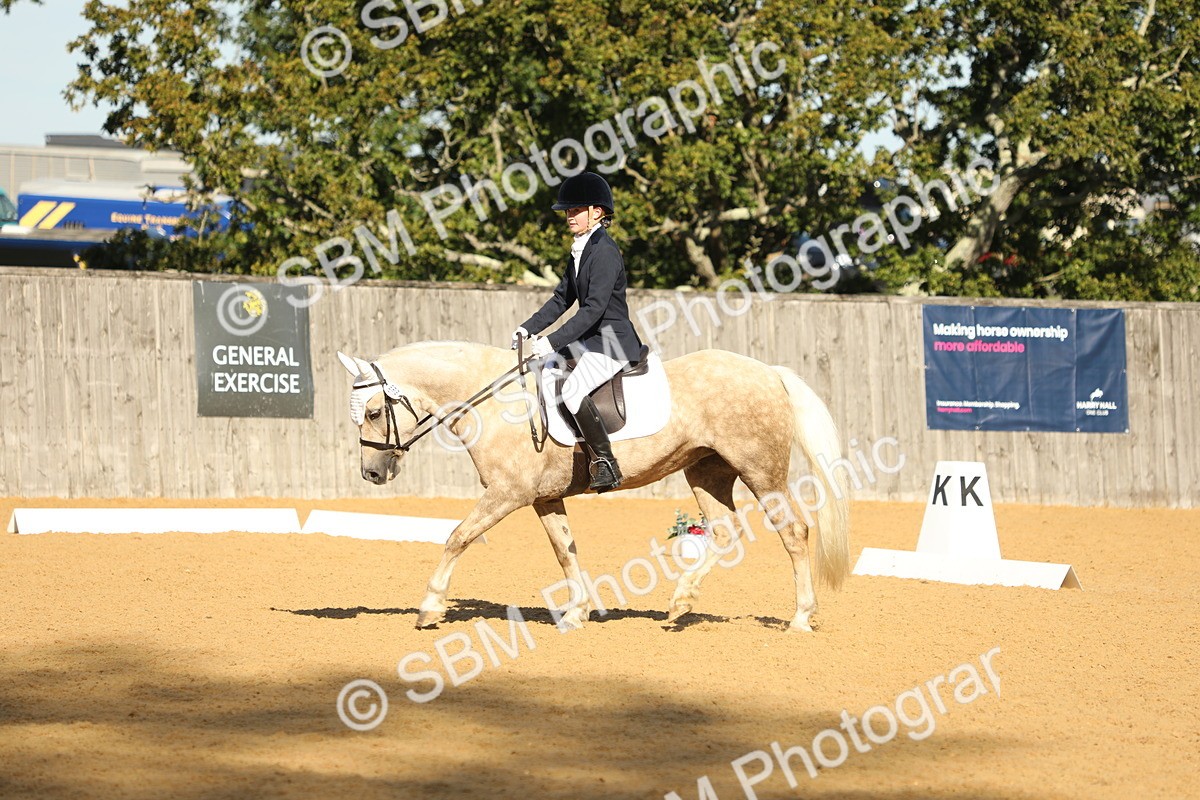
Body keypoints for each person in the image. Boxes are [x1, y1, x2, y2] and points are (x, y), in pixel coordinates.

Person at [511, 172, 644, 492]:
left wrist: (551, 341)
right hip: (591, 339)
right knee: (541, 372)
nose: (568, 216)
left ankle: (605, 463)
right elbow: (562, 299)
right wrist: (528, 329)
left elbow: (593, 309)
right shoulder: (581, 249)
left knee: (572, 391)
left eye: (575, 210)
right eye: (567, 212)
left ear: (596, 212)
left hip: (612, 341)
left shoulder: (605, 251)